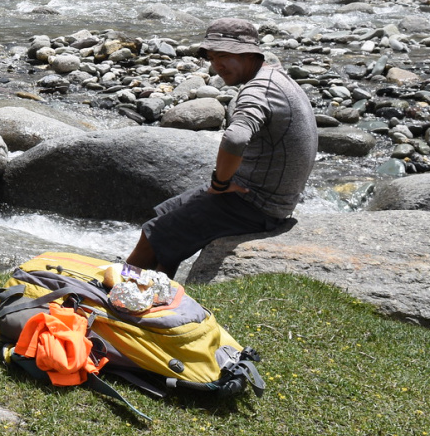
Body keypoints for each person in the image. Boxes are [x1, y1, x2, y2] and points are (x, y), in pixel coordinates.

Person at [125, 18, 316, 279]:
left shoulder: (258, 90)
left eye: (225, 55)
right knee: (166, 213)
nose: (217, 66)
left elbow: (235, 138)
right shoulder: (275, 76)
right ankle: (155, 289)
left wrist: (220, 183)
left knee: (153, 232)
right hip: (268, 197)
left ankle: (114, 292)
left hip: (257, 204)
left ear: (250, 54)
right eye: (213, 58)